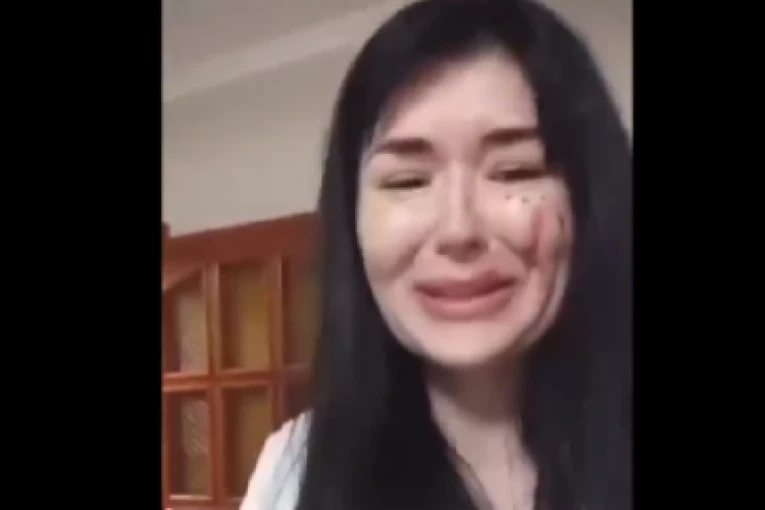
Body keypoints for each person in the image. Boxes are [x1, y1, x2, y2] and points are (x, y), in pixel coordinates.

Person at [241, 0, 632, 508]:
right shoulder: (291, 473)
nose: (458, 230)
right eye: (407, 180)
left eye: (514, 171)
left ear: (589, 200)